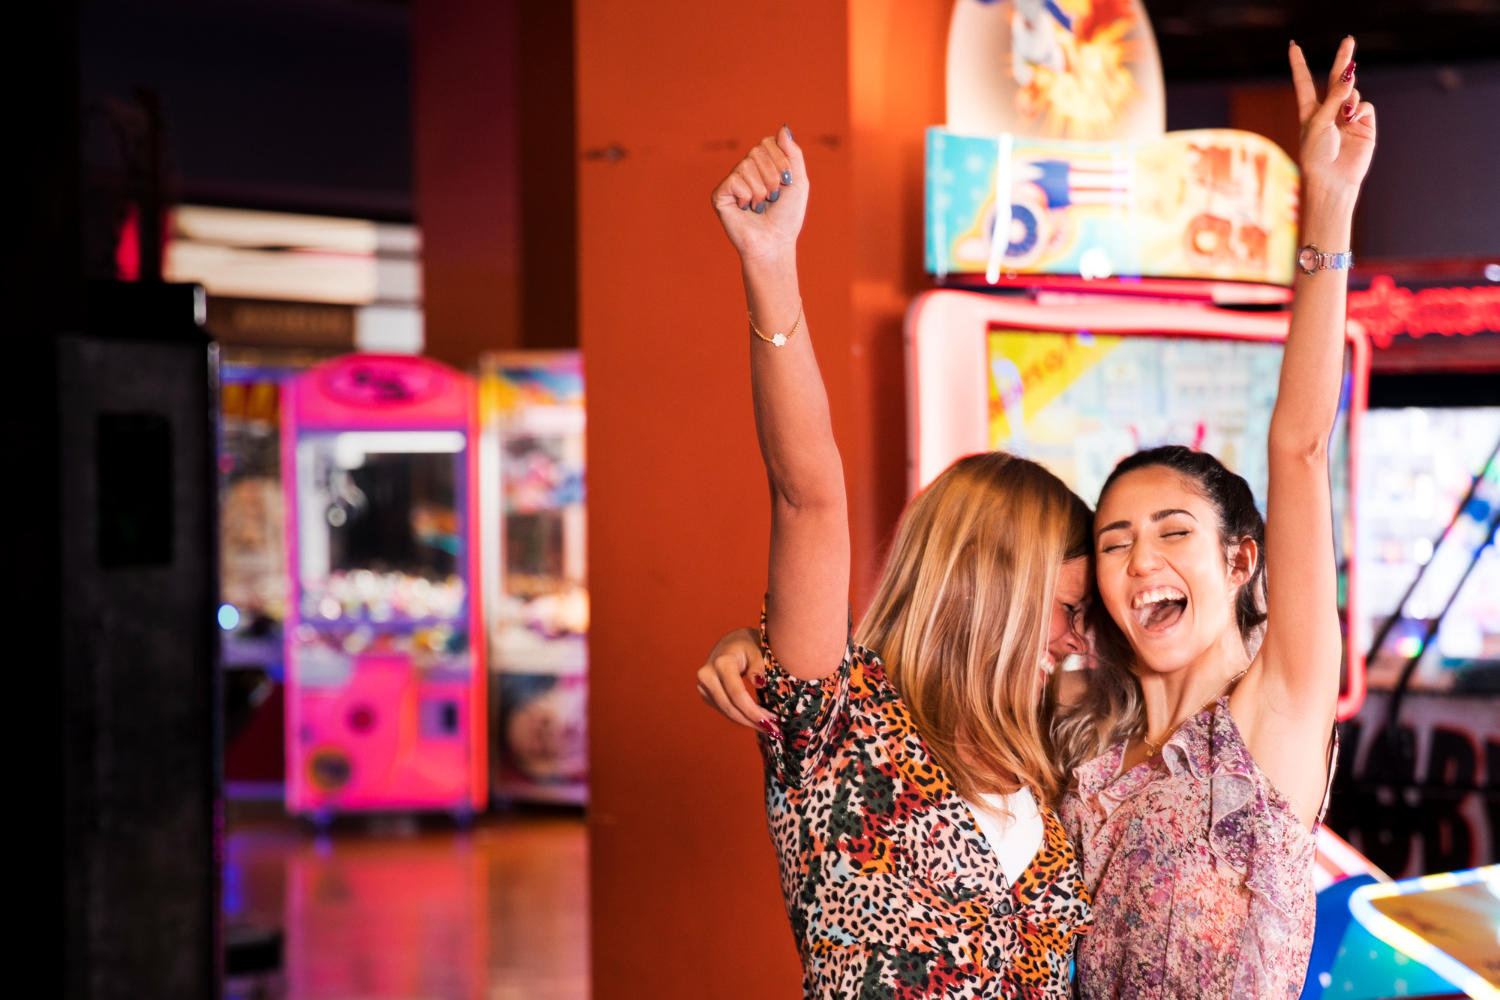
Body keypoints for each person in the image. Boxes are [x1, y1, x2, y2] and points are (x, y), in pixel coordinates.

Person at [699, 38, 1373, 1000]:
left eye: (1173, 531)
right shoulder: (1068, 738)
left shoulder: (1270, 716)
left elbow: (1299, 447)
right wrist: (760, 647)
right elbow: (831, 535)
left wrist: (1330, 206)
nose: (1138, 562)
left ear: (1239, 560)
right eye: (1113, 543)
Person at [701, 125, 1093, 997]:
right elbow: (808, 494)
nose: (1077, 641)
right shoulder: (839, 720)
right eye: (1068, 609)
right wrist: (771, 262)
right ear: (995, 587)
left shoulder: (1045, 748)